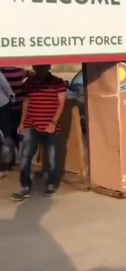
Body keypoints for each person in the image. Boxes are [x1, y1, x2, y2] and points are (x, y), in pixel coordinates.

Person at [12, 65, 66, 201]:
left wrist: (53, 123)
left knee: (52, 158)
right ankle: (25, 187)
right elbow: (26, 102)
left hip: (51, 126)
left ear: (48, 67)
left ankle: (52, 184)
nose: (40, 69)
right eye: (38, 67)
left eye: (43, 67)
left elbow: (61, 103)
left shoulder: (58, 82)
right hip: (31, 125)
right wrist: (22, 122)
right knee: (25, 158)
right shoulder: (29, 82)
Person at [0, 66, 30, 165]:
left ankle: (12, 160)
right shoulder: (21, 71)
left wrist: (11, 96)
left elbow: (5, 86)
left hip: (11, 105)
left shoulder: (19, 71)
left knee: (10, 134)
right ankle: (15, 159)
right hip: (14, 104)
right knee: (15, 134)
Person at [0, 71, 16, 178]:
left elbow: (5, 85)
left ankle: (7, 163)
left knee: (6, 135)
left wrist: (11, 97)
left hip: (1, 105)